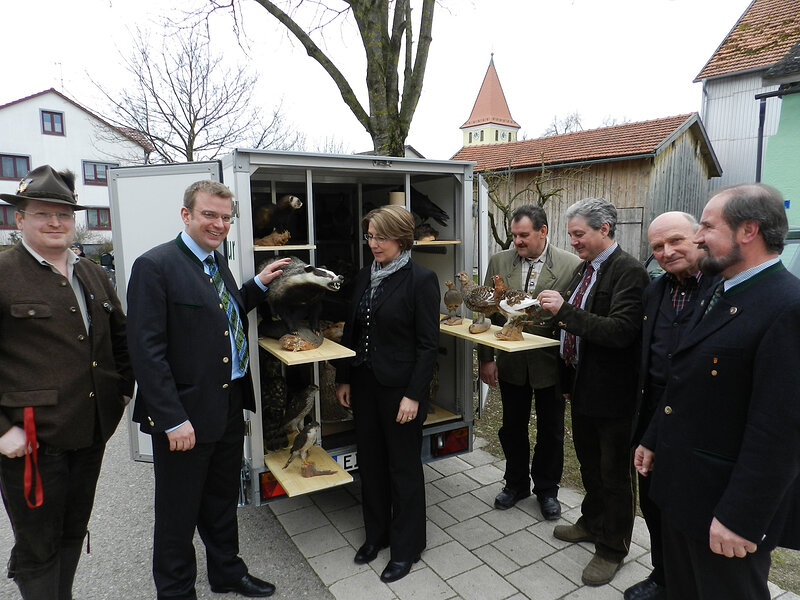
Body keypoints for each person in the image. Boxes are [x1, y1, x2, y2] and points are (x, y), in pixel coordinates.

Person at [126, 180, 290, 600]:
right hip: (185, 414)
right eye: (209, 215)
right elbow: (146, 351)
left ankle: (227, 573)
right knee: (178, 512)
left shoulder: (216, 263)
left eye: (225, 218)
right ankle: (177, 591)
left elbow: (221, 314)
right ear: (186, 215)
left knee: (221, 502)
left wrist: (257, 285)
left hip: (228, 403)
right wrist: (171, 418)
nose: (218, 224)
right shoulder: (155, 266)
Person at [635, 184, 800, 600]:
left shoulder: (787, 306)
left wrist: (741, 517)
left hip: (723, 509)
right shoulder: (720, 289)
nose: (696, 238)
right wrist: (654, 439)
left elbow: (779, 430)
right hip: (683, 490)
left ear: (748, 230)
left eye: (706, 226)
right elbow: (683, 377)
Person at [0, 165, 134, 599]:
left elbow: (121, 340)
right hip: (32, 442)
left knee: (74, 529)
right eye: (42, 213)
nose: (55, 222)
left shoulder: (92, 273)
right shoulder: (3, 273)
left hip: (90, 432)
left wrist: (123, 392)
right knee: (38, 544)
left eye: (63, 213)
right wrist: (2, 430)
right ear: (19, 218)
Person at [537, 197, 649, 586]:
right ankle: (592, 521)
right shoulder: (586, 269)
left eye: (579, 234)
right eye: (570, 235)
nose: (574, 242)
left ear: (605, 229)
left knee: (614, 473)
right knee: (588, 463)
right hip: (582, 386)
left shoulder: (629, 272)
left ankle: (613, 548)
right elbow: (574, 331)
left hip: (614, 394)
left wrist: (563, 311)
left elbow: (619, 332)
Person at [335, 204, 439, 584]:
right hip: (364, 385)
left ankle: (407, 547)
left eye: (381, 237)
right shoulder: (365, 275)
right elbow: (351, 330)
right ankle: (375, 535)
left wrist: (414, 395)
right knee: (372, 463)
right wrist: (344, 378)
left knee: (403, 468)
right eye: (370, 236)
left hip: (400, 392)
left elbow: (429, 345)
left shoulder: (421, 279)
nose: (373, 244)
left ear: (402, 238)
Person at [623, 212, 719, 600]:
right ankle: (662, 576)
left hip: (696, 419)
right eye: (657, 247)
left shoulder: (722, 289)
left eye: (675, 241)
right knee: (653, 502)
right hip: (650, 414)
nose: (666, 252)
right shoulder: (656, 291)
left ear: (698, 237)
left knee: (691, 511)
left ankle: (692, 584)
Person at [477, 204, 581, 518]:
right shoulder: (500, 261)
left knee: (551, 431)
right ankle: (516, 483)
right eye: (514, 235)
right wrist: (486, 359)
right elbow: (487, 311)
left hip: (551, 365)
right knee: (512, 427)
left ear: (543, 231)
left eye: (524, 235)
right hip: (511, 363)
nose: (518, 242)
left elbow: (572, 318)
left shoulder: (570, 264)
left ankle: (547, 490)